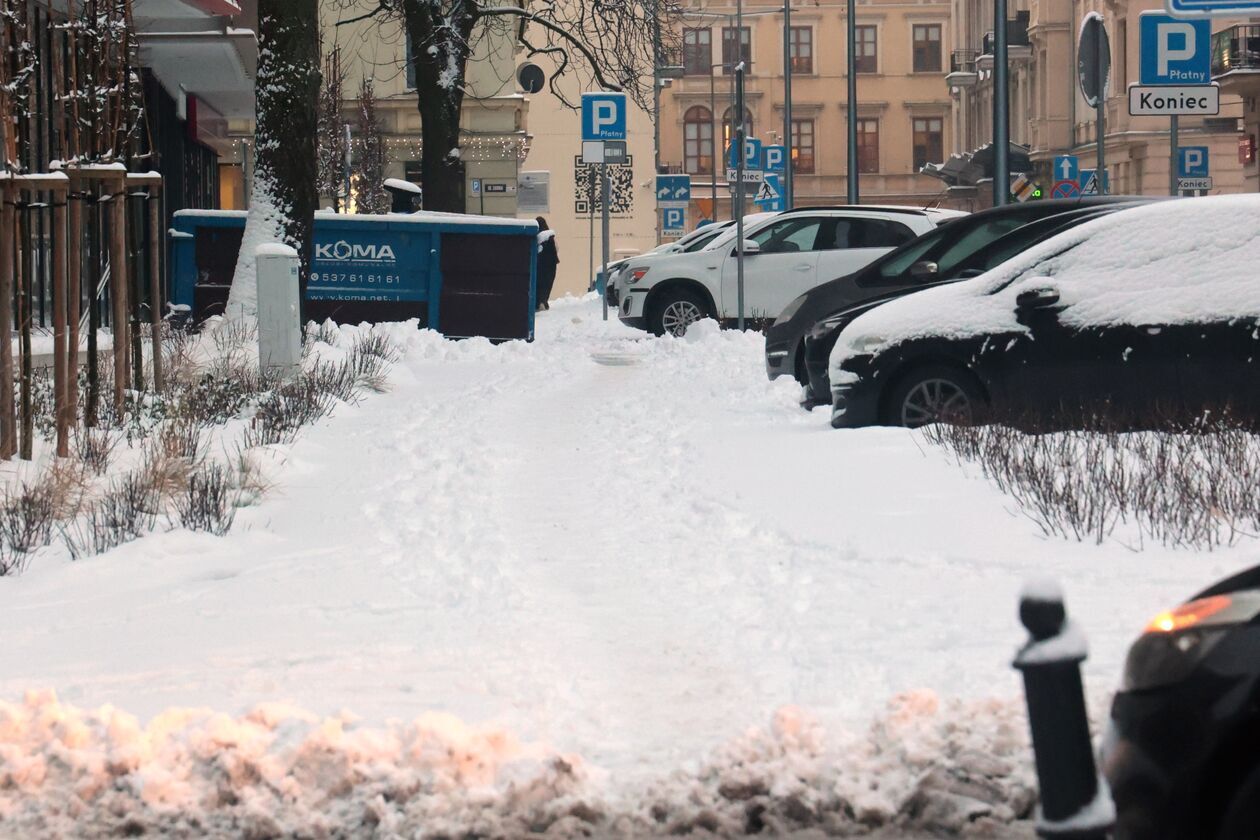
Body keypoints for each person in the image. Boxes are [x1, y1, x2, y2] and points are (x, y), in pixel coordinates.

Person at [536, 216, 559, 311]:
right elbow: (556, 249)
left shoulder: (537, 237)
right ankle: (543, 301)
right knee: (547, 284)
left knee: (539, 283)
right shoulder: (550, 236)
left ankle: (539, 302)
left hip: (539, 265)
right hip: (551, 265)